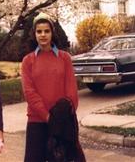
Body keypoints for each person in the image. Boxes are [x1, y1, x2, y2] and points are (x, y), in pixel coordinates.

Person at [21, 12, 79, 162]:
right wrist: (48, 117)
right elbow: (29, 93)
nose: (43, 35)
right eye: (39, 31)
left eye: (46, 31)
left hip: (63, 122)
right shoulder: (28, 61)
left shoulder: (64, 58)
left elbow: (71, 91)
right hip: (37, 121)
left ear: (52, 33)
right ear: (34, 34)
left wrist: (61, 118)